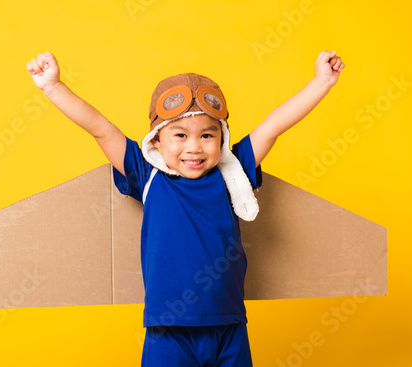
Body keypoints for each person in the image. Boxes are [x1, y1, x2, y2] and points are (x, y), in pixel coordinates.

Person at [27, 50, 344, 366]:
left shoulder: (232, 170)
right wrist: (53, 87)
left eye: (207, 135)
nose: (194, 146)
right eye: (180, 135)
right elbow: (101, 128)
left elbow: (273, 126)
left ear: (221, 138)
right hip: (168, 331)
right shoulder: (148, 174)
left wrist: (321, 82)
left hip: (228, 325)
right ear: (156, 141)